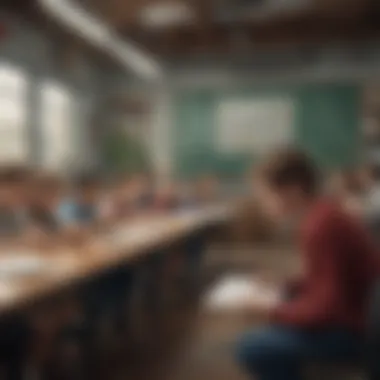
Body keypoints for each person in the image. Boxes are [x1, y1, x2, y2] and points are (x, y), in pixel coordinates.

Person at [236, 147, 379, 380]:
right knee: (269, 334)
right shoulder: (323, 214)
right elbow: (326, 281)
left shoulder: (320, 226)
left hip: (358, 330)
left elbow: (326, 309)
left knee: (253, 346)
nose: (262, 204)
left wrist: (271, 310)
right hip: (359, 315)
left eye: (265, 195)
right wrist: (287, 285)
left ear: (292, 191)